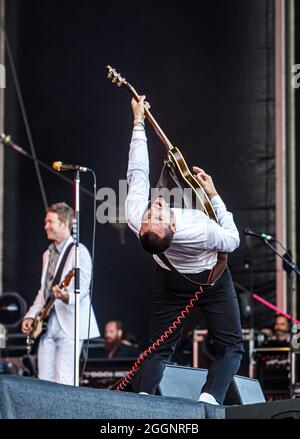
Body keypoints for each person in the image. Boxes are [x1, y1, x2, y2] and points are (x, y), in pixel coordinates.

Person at [125, 96, 244, 405]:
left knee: (159, 346)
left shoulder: (135, 217)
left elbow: (138, 172)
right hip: (212, 279)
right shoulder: (197, 227)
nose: (155, 209)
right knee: (231, 346)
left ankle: (141, 400)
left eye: (151, 216)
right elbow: (232, 240)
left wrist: (139, 122)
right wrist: (214, 194)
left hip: (171, 281)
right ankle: (209, 399)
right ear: (173, 228)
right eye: (158, 215)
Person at [21, 202, 100, 385]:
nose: (45, 226)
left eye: (50, 221)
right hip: (47, 323)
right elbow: (44, 291)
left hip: (70, 322)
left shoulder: (80, 252)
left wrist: (66, 296)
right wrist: (31, 315)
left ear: (64, 224)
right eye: (46, 221)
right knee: (44, 381)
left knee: (64, 379)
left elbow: (83, 288)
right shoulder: (47, 254)